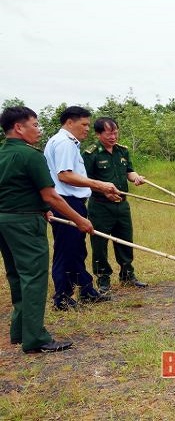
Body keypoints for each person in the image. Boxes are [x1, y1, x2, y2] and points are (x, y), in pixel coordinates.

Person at [0, 106, 93, 353]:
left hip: (5, 221)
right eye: (35, 125)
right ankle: (36, 339)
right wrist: (79, 220)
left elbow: (15, 190)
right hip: (25, 224)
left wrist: (37, 206)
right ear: (19, 128)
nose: (39, 131)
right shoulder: (31, 156)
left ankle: (20, 330)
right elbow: (51, 195)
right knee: (33, 277)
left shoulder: (3, 154)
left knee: (17, 276)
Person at [43, 106, 119, 310]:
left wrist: (100, 189)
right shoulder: (64, 143)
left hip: (72, 200)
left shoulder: (67, 143)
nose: (87, 129)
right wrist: (99, 184)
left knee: (77, 250)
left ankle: (86, 290)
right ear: (69, 122)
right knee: (67, 251)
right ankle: (62, 298)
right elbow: (64, 175)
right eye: (84, 124)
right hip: (66, 202)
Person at [83, 117, 148, 292]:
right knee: (100, 243)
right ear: (98, 134)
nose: (113, 137)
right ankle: (103, 279)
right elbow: (85, 180)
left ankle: (127, 274)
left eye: (115, 132)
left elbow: (129, 171)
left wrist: (137, 178)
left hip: (122, 205)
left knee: (126, 239)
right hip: (100, 206)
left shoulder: (122, 151)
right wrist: (103, 191)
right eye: (108, 133)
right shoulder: (91, 153)